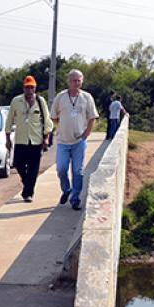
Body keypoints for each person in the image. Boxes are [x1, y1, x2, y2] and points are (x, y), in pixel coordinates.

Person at [51, 69, 98, 210]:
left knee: (78, 171)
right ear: (69, 82)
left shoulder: (87, 97)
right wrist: (63, 126)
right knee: (61, 168)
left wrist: (86, 133)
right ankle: (66, 189)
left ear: (82, 81)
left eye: (79, 80)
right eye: (74, 80)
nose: (76, 83)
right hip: (63, 141)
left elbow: (92, 117)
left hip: (79, 141)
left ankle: (75, 198)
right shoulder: (61, 97)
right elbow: (53, 116)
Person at [4, 75, 53, 202]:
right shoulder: (16, 101)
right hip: (21, 140)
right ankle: (27, 183)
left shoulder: (41, 102)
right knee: (18, 164)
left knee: (33, 168)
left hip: (36, 140)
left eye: (32, 87)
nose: (29, 90)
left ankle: (28, 193)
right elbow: (9, 120)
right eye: (27, 87)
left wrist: (46, 138)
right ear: (23, 88)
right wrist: (7, 138)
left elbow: (47, 121)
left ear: (35, 88)